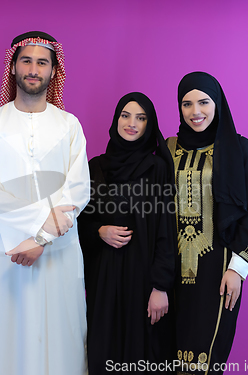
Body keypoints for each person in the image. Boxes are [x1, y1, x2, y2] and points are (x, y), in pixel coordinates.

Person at [0, 31, 90, 375]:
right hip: (9, 253)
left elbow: (78, 188)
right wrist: (32, 233)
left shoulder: (69, 125)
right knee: (9, 340)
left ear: (54, 71)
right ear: (13, 67)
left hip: (59, 252)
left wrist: (41, 239)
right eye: (26, 60)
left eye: (42, 62)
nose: (34, 69)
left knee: (62, 338)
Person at [167, 72, 248, 375]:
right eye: (187, 104)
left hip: (219, 271)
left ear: (217, 102)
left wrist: (238, 269)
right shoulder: (167, 149)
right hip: (169, 269)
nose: (196, 112)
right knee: (166, 355)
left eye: (204, 102)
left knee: (204, 361)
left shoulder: (238, 149)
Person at [77, 92, 177, 374]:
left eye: (141, 118)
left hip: (143, 279)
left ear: (149, 124)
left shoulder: (157, 168)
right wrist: (100, 230)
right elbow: (79, 222)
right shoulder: (95, 166)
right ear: (116, 119)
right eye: (125, 115)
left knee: (141, 354)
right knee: (103, 350)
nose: (131, 123)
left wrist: (160, 286)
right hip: (103, 278)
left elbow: (166, 229)